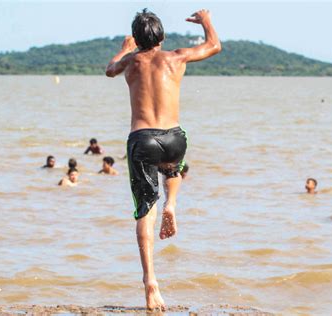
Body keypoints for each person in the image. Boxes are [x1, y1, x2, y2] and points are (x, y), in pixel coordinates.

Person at [106, 8, 221, 310]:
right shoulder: (177, 57)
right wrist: (205, 20)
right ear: (162, 36)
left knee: (145, 210)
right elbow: (214, 46)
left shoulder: (130, 62)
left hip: (142, 139)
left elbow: (109, 69)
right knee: (173, 167)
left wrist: (125, 48)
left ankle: (150, 284)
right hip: (174, 137)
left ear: (138, 38)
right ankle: (172, 203)